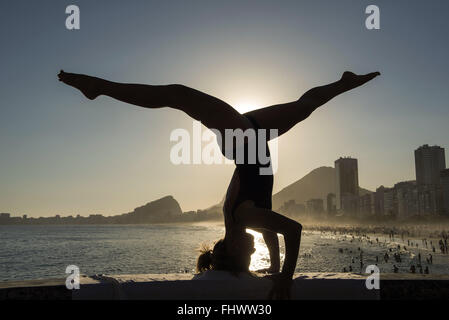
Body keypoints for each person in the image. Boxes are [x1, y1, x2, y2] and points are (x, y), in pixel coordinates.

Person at [58, 69, 380, 299]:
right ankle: (344, 82)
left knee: (177, 94)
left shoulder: (243, 218)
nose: (254, 250)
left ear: (236, 249)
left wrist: (285, 277)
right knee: (304, 106)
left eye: (248, 254)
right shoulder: (244, 221)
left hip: (241, 138)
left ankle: (99, 87)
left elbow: (293, 230)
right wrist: (276, 268)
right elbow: (272, 236)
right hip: (251, 133)